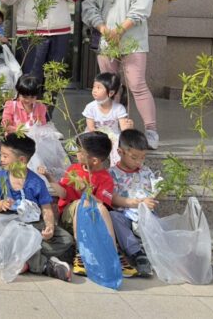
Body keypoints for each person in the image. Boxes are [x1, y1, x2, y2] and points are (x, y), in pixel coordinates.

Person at [82, 0, 159, 149]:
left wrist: (120, 30)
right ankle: (114, 128)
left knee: (137, 85)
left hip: (133, 41)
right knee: (110, 87)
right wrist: (104, 29)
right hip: (106, 40)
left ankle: (151, 130)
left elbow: (142, 7)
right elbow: (89, 7)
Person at [44, 131, 137, 277]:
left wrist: (85, 189)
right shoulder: (73, 170)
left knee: (98, 207)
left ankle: (114, 252)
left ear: (94, 160)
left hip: (93, 219)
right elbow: (63, 194)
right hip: (69, 218)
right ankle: (80, 253)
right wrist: (49, 178)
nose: (76, 153)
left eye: (80, 151)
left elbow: (101, 205)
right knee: (82, 203)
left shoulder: (105, 178)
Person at [0, 134, 74, 281]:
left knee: (66, 239)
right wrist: (2, 204)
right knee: (19, 239)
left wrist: (50, 227)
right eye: (1, 155)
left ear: (21, 160)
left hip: (33, 224)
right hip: (9, 226)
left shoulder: (36, 182)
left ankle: (25, 260)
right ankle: (44, 265)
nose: (1, 159)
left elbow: (46, 208)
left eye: (5, 156)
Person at [109, 129, 157, 277]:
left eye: (143, 157)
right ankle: (137, 253)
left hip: (144, 215)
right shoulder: (112, 173)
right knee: (113, 217)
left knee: (155, 220)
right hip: (124, 215)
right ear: (120, 152)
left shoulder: (146, 171)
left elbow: (153, 191)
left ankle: (160, 252)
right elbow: (113, 198)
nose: (138, 162)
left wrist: (158, 192)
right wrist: (135, 203)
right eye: (134, 157)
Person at [83, 72, 134, 166]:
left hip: (113, 137)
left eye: (98, 88)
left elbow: (123, 129)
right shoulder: (90, 107)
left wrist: (129, 127)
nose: (94, 90)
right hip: (95, 135)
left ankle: (116, 166)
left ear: (111, 93)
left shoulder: (119, 108)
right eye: (94, 87)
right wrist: (103, 138)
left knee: (118, 144)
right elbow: (91, 129)